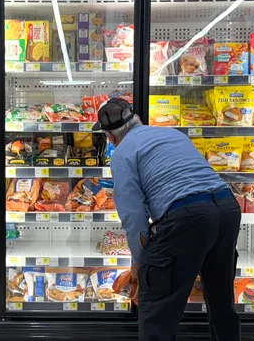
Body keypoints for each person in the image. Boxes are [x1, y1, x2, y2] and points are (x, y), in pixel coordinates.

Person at [93, 98, 241, 341]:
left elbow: (133, 215)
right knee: (222, 301)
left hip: (187, 216)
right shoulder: (173, 134)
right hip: (227, 208)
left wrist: (140, 267)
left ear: (110, 137)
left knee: (157, 311)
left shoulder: (122, 153)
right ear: (138, 120)